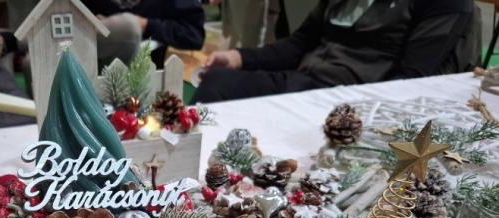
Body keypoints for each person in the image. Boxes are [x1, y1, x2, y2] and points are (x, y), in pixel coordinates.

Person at [195, 0, 477, 102]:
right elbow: (301, 42)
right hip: (303, 82)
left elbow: (410, 80)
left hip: (353, 100)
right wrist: (239, 57)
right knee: (217, 83)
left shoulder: (445, 4)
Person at [82, 0, 206, 64]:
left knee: (129, 25)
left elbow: (194, 35)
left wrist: (147, 24)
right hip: (87, 47)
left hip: (139, 67)